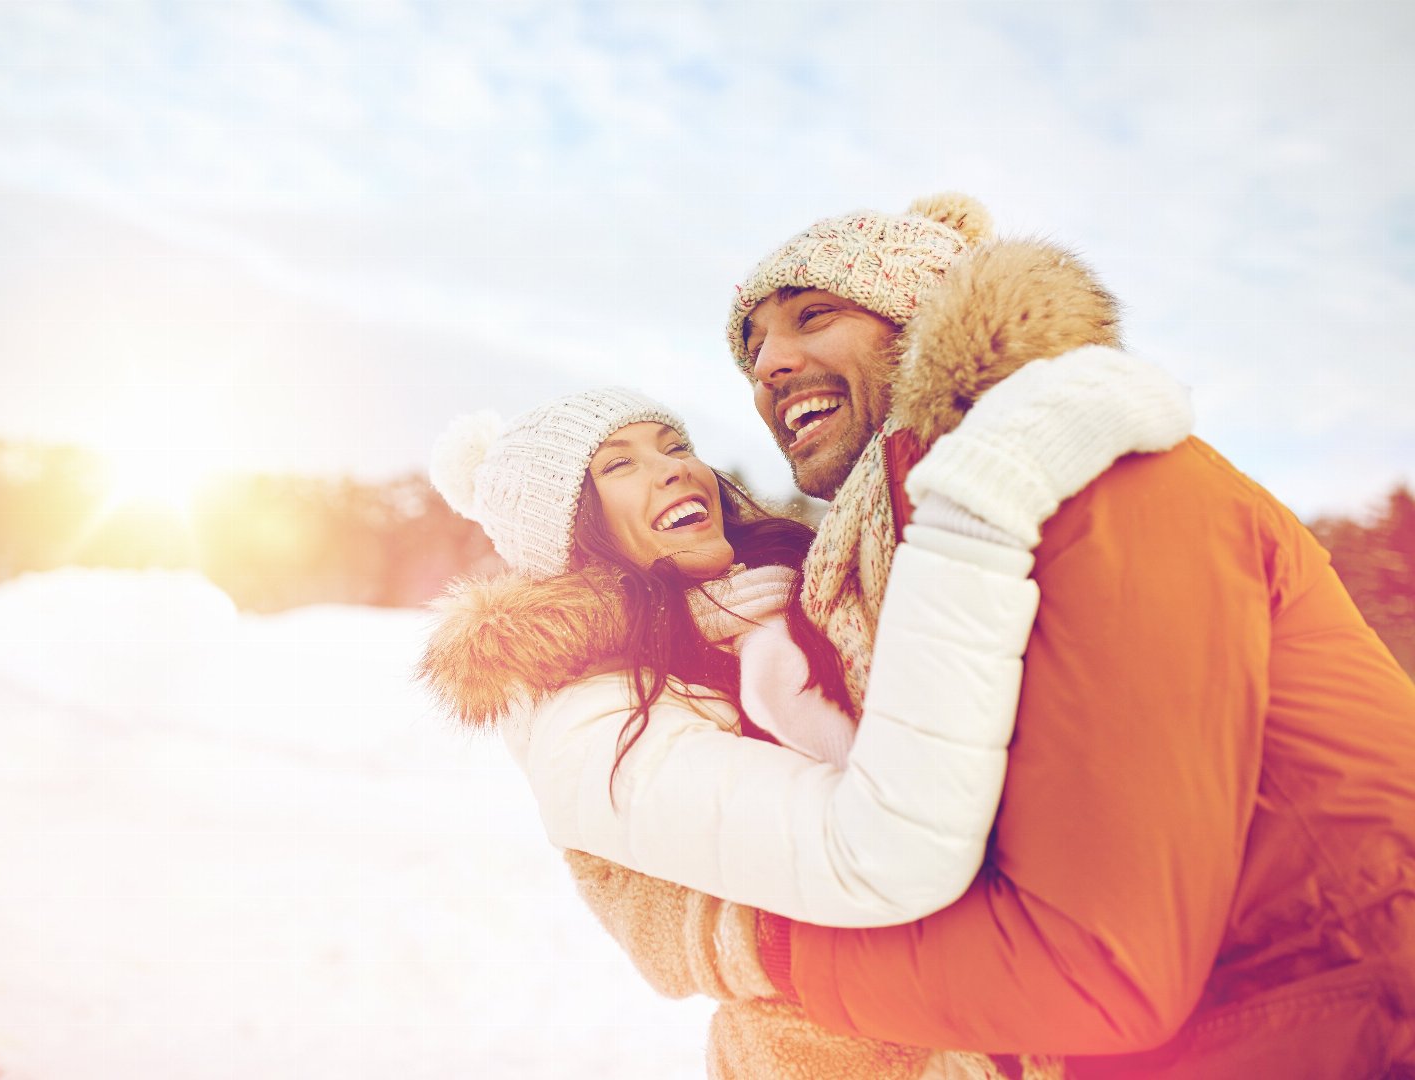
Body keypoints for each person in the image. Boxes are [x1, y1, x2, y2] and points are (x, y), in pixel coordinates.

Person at [579, 193, 1415, 1078]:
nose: (769, 367)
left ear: (920, 316)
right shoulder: (906, 560)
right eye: (750, 352)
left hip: (1345, 1026)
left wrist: (750, 950)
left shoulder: (1096, 480)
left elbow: (1101, 965)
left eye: (811, 316)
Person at [420, 373, 1190, 1077]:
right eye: (618, 464)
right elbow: (872, 849)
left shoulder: (796, 600)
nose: (676, 468)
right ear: (568, 534)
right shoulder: (588, 718)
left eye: (675, 444)